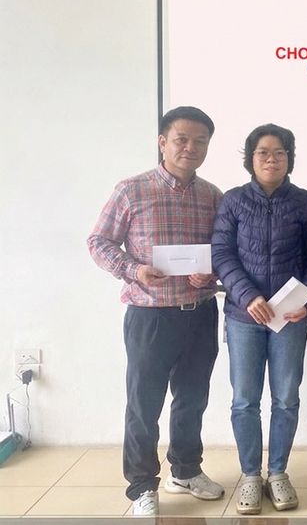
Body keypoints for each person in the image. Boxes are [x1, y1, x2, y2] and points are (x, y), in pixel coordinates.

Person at [87, 106, 225, 517]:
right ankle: (142, 485)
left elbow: (223, 252)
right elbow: (99, 242)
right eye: (182, 139)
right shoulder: (132, 190)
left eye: (200, 141)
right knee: (144, 404)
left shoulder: (212, 196)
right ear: (163, 142)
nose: (190, 148)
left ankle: (186, 470)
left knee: (192, 399)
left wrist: (212, 273)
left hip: (200, 312)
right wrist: (134, 270)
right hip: (150, 316)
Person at [211, 123, 307, 514]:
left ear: (290, 159)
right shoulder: (233, 201)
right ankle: (250, 475)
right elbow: (222, 254)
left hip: (290, 318)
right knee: (244, 400)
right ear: (251, 158)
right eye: (263, 152)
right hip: (243, 316)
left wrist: (305, 299)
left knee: (286, 398)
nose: (272, 159)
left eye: (280, 152)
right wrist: (248, 296)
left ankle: (278, 473)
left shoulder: (305, 202)